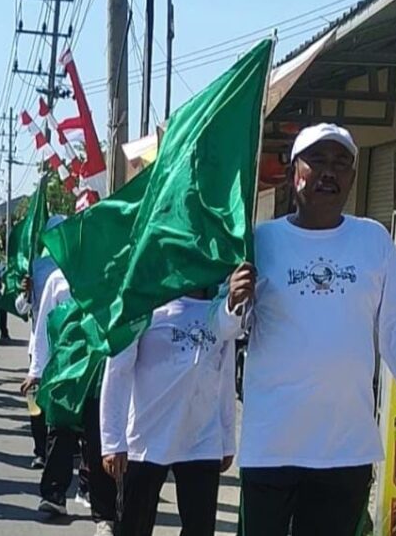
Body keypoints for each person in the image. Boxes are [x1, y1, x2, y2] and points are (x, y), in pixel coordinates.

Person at [232, 124, 396, 535]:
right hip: (272, 445)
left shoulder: (373, 241)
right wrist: (229, 306)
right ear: (296, 172)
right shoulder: (260, 240)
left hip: (344, 448)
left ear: (352, 177)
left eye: (342, 163)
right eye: (319, 161)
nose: (330, 172)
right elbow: (226, 330)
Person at [101, 289, 241, 535]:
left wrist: (226, 440)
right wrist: (113, 441)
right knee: (133, 528)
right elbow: (117, 372)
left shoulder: (220, 310)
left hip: (201, 440)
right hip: (147, 442)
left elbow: (226, 377)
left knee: (199, 529)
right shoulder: (141, 307)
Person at [22, 268, 116, 536]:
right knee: (59, 432)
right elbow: (45, 324)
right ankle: (53, 494)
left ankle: (104, 513)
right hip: (65, 369)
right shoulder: (57, 278)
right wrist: (36, 371)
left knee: (98, 438)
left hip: (98, 370)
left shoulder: (110, 270)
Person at [14, 214, 66, 470]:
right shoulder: (37, 265)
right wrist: (26, 290)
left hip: (66, 348)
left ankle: (60, 447)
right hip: (39, 343)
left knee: (60, 403)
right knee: (36, 401)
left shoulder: (75, 263)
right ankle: (39, 450)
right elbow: (22, 307)